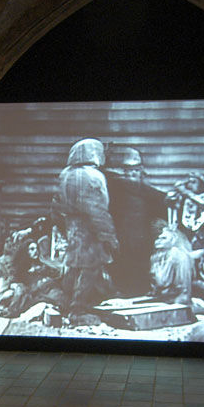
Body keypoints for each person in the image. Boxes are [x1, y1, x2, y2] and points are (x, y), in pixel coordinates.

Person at [53, 138, 117, 324]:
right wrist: (109, 236)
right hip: (90, 230)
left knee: (74, 267)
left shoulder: (65, 174)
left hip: (72, 228)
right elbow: (97, 209)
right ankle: (77, 310)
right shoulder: (93, 176)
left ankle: (66, 304)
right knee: (90, 267)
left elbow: (55, 206)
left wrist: (63, 227)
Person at [105, 146, 166, 296]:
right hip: (121, 238)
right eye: (128, 170)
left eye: (136, 170)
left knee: (140, 271)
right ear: (123, 172)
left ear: (141, 172)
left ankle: (140, 294)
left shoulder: (146, 191)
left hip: (142, 239)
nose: (132, 173)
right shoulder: (117, 188)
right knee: (122, 269)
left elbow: (159, 209)